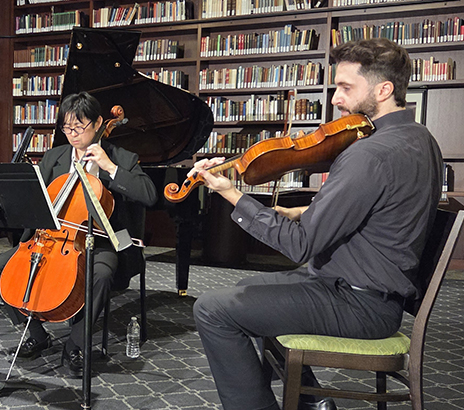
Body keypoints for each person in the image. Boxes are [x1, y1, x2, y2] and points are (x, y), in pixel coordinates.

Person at [189, 38, 443, 410]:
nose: (335, 99)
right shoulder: (420, 139)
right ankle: (312, 399)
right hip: (377, 293)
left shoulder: (369, 154)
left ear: (384, 89)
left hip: (358, 303)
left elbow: (300, 245)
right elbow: (382, 210)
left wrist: (231, 194)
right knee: (247, 287)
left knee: (212, 308)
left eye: (345, 88)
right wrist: (301, 212)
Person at [0, 91, 158, 377]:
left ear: (98, 123)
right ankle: (36, 334)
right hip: (50, 239)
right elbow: (37, 199)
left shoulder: (121, 157)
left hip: (102, 240)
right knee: (1, 268)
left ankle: (76, 343)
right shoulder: (54, 157)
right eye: (66, 128)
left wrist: (109, 167)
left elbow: (149, 195)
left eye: (79, 127)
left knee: (101, 274)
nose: (72, 134)